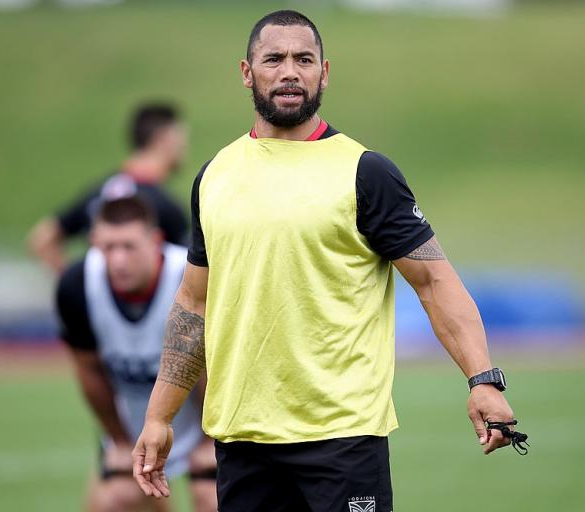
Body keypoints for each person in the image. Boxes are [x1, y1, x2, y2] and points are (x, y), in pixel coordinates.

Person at [131, 10, 520, 512]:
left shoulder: (366, 172)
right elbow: (193, 303)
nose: (290, 71)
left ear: (324, 72)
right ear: (247, 73)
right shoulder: (214, 177)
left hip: (343, 440)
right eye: (274, 59)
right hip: (242, 440)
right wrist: (159, 416)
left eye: (304, 59)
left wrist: (482, 379)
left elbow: (433, 282)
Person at [56, 196, 216, 512]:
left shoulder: (190, 274)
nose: (117, 260)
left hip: (203, 422)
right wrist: (117, 439)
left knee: (214, 500)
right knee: (112, 502)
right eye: (108, 248)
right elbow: (89, 370)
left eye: (128, 246)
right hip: (135, 429)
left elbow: (213, 365)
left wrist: (211, 439)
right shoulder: (77, 286)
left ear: (155, 241)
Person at [29, 103, 189, 274]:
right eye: (181, 139)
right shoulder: (166, 206)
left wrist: (82, 285)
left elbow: (42, 239)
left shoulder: (98, 191)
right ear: (162, 140)